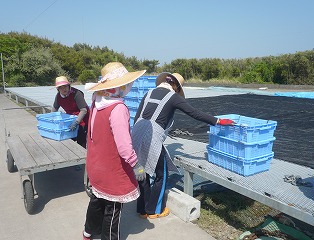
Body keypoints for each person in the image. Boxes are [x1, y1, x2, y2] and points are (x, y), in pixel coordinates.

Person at [131, 72, 235, 219]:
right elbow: (194, 113)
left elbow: (137, 116)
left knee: (143, 171)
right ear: (175, 86)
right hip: (151, 135)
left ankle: (142, 209)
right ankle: (155, 210)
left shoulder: (149, 93)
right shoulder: (172, 97)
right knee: (162, 173)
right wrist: (218, 121)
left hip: (136, 132)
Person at [82, 62, 147, 240]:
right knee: (113, 209)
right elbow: (124, 147)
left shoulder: (96, 99)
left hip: (96, 164)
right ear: (120, 86)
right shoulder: (118, 108)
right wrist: (136, 164)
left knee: (96, 201)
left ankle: (87, 233)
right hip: (112, 169)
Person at [52, 76, 89, 148]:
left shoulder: (77, 93)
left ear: (69, 86)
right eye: (61, 87)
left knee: (81, 141)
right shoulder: (58, 96)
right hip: (70, 119)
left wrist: (76, 122)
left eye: (65, 86)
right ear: (58, 89)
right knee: (69, 140)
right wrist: (50, 120)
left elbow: (84, 110)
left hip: (82, 119)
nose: (64, 89)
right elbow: (54, 108)